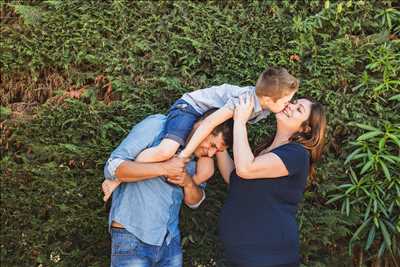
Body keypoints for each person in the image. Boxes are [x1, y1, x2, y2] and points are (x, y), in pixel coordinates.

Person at [103, 67, 299, 200]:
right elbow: (208, 124)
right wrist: (184, 154)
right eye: (285, 101)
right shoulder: (244, 101)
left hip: (205, 121)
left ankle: (173, 190)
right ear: (268, 99)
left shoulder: (263, 109)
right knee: (166, 151)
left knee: (206, 172)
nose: (288, 105)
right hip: (189, 109)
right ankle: (118, 178)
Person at [103, 110, 233, 267]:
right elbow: (113, 168)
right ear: (202, 126)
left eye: (217, 150)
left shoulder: (200, 159)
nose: (211, 153)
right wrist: (164, 168)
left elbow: (195, 202)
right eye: (212, 145)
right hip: (132, 235)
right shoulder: (158, 125)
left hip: (169, 241)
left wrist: (188, 183)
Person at [216, 96, 326, 267]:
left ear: (305, 128)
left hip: (269, 257)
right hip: (243, 256)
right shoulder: (264, 149)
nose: (290, 106)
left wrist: (240, 120)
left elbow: (245, 169)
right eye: (294, 103)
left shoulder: (297, 154)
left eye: (299, 110)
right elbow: (235, 178)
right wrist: (218, 146)